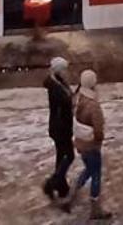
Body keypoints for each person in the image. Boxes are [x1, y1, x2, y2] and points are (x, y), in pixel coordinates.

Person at [72, 68, 111, 220]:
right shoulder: (93, 105)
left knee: (88, 169)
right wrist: (98, 142)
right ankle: (95, 209)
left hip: (80, 142)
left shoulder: (78, 98)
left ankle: (72, 195)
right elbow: (98, 130)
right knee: (96, 174)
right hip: (91, 146)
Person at [40, 57, 76, 206]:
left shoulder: (58, 82)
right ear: (59, 70)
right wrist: (71, 100)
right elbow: (65, 102)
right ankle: (52, 183)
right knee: (70, 155)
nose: (67, 72)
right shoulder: (55, 87)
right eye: (64, 69)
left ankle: (61, 186)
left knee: (62, 156)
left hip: (61, 125)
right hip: (60, 127)